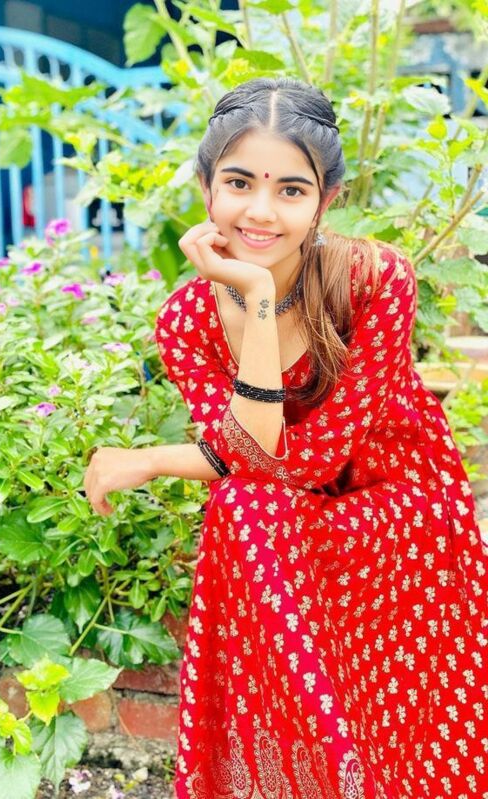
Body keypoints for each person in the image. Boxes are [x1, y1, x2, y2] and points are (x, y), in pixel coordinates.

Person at [83, 77, 488, 798]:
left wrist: (151, 458)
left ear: (325, 200)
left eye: (291, 190)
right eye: (239, 182)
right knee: (245, 506)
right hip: (288, 515)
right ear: (206, 187)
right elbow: (256, 458)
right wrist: (255, 300)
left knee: (249, 501)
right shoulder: (187, 322)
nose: (261, 211)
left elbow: (313, 457)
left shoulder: (375, 280)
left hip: (401, 508)